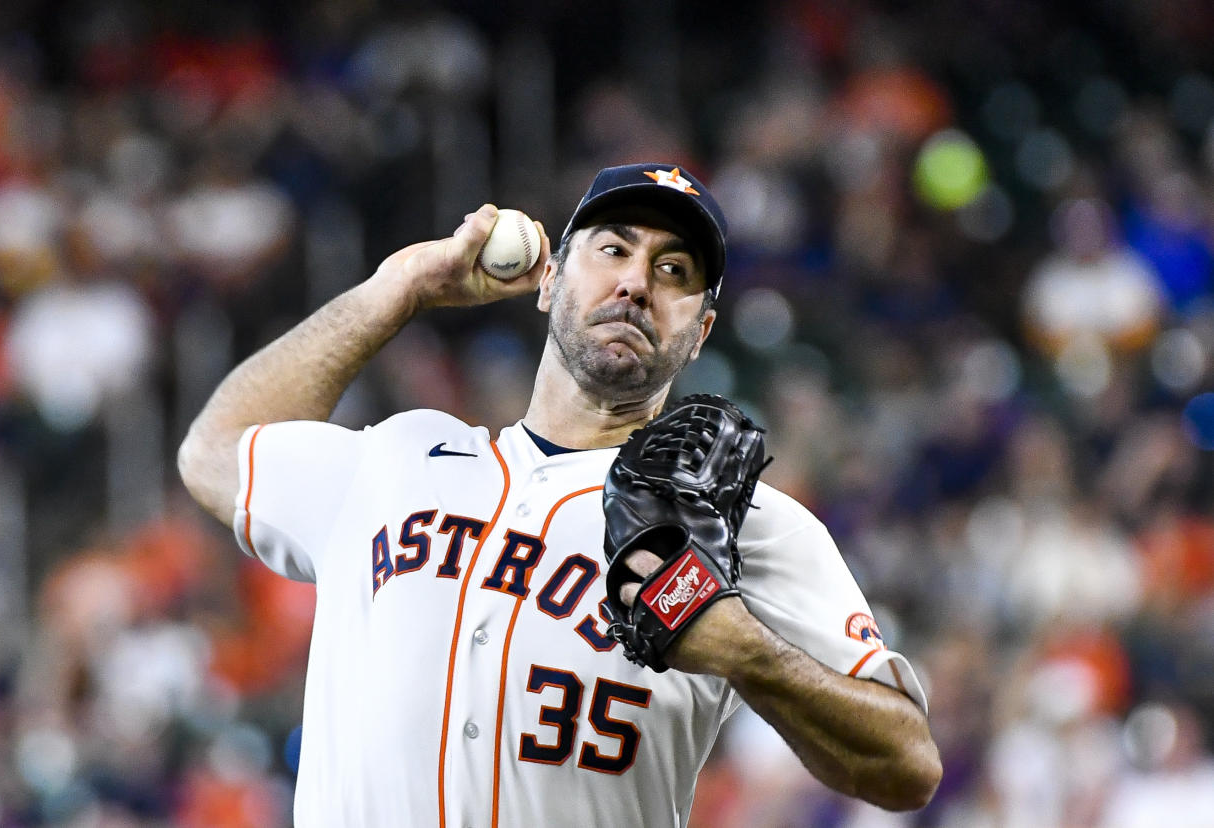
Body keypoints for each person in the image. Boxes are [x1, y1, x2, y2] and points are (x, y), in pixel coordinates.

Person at [178, 162, 942, 826]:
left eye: (676, 272)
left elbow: (907, 765)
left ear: (701, 332)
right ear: (549, 281)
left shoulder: (742, 524)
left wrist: (748, 654)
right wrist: (398, 290)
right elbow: (213, 451)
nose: (638, 284)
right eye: (614, 250)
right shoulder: (395, 459)